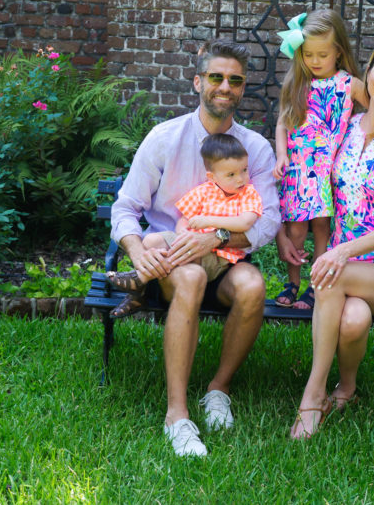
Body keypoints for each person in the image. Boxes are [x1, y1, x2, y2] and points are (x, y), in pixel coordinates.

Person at [111, 38, 281, 457]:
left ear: (242, 89)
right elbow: (126, 208)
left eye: (235, 80)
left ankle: (217, 389)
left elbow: (270, 220)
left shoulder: (254, 148)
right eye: (217, 77)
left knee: (253, 286)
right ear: (198, 81)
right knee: (188, 275)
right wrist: (137, 252)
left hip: (225, 257)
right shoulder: (165, 138)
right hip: (170, 261)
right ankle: (177, 415)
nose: (226, 86)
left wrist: (218, 236)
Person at [288, 35, 374, 439]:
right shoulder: (347, 125)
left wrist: (340, 252)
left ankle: (312, 394)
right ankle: (346, 386)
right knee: (353, 320)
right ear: (367, 73)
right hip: (345, 263)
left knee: (332, 271)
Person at [106, 133, 262, 319]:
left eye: (244, 170)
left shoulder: (248, 194)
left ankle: (140, 281)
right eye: (231, 174)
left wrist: (209, 221)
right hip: (190, 249)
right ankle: (140, 289)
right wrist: (183, 235)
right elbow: (184, 220)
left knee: (187, 253)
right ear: (212, 177)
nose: (241, 179)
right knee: (152, 240)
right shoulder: (203, 192)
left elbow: (245, 222)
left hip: (218, 257)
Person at [272, 9, 368, 310]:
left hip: (329, 171)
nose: (314, 61)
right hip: (299, 171)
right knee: (296, 230)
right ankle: (292, 282)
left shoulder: (349, 84)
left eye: (322, 54)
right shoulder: (297, 83)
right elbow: (282, 124)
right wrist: (281, 154)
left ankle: (317, 285)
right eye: (308, 54)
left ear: (338, 53)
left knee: (323, 229)